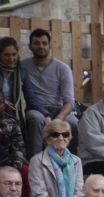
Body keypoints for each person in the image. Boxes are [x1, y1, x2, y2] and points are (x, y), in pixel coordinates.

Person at [20, 28, 79, 157]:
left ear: (50, 45)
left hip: (59, 109)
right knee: (35, 119)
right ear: (30, 46)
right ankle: (35, 161)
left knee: (73, 123)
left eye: (44, 43)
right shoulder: (23, 66)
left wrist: (58, 120)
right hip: (35, 109)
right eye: (36, 43)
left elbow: (69, 102)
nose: (41, 46)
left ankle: (71, 161)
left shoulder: (63, 68)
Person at [27, 118, 83, 197]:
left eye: (65, 134)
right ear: (47, 139)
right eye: (55, 135)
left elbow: (79, 192)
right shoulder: (36, 161)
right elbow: (39, 195)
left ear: (69, 139)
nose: (61, 138)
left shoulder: (76, 161)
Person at [0, 36, 43, 137]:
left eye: (14, 54)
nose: (11, 58)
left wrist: (47, 115)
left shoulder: (21, 72)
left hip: (13, 115)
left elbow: (31, 99)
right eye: (7, 55)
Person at [0, 92, 26, 169]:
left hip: (5, 164)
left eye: (1, 102)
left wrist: (16, 165)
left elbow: (18, 148)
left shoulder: (11, 122)